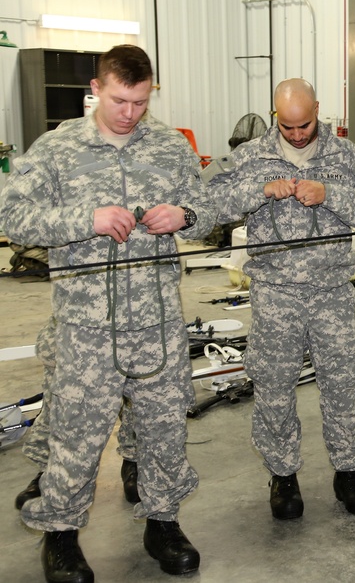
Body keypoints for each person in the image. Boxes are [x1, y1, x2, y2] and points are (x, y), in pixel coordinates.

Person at [0, 44, 215, 581]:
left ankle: (161, 521)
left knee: (164, 429)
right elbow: (14, 217)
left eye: (141, 102)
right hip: (86, 327)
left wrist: (185, 214)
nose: (130, 113)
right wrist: (85, 218)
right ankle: (61, 535)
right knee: (78, 434)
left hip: (158, 321)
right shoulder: (57, 148)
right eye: (121, 100)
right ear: (97, 89)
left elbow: (210, 207)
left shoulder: (170, 146)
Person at [209, 78, 355, 519]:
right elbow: (204, 205)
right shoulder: (251, 156)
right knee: (273, 386)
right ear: (276, 116)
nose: (296, 134)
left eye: (305, 125)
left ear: (318, 110)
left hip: (331, 290)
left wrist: (332, 194)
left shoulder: (346, 156)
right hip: (274, 293)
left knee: (342, 382)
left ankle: (348, 470)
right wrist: (259, 191)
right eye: (287, 126)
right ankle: (283, 475)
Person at [15, 319, 141, 511]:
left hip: (135, 306)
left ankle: (134, 460)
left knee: (140, 374)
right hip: (82, 307)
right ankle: (52, 467)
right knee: (63, 382)